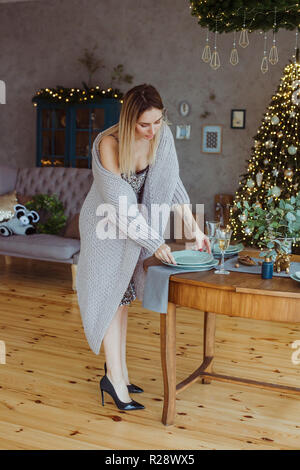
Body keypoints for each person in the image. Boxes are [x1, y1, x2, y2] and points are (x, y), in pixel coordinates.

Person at [76, 83, 211, 411]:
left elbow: (173, 185)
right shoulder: (108, 144)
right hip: (104, 226)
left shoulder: (162, 137)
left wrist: (194, 232)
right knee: (111, 299)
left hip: (134, 227)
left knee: (123, 300)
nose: (152, 130)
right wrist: (154, 242)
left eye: (158, 121)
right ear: (127, 120)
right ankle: (116, 382)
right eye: (144, 124)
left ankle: (115, 373)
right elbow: (119, 203)